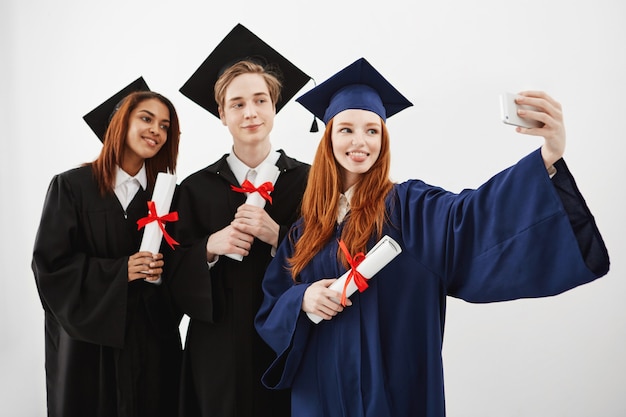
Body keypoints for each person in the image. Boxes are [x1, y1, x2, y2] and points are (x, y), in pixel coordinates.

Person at [254, 57, 611, 417]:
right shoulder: (305, 231)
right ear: (328, 136)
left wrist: (548, 155)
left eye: (372, 130)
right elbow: (272, 306)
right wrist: (303, 299)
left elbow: (470, 217)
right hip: (323, 395)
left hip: (395, 393)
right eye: (346, 129)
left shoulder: (408, 206)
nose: (359, 141)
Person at [169, 24, 311, 417]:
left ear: (274, 106)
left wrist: (279, 235)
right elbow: (168, 275)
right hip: (217, 347)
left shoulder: (311, 181)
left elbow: (334, 254)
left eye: (260, 100)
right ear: (221, 114)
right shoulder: (196, 188)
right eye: (237, 104)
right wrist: (208, 249)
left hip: (289, 339)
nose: (250, 113)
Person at [32, 77, 183, 417]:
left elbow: (179, 269)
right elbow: (50, 268)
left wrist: (159, 276)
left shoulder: (166, 197)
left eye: (164, 125)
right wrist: (120, 271)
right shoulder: (71, 187)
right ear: (120, 123)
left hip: (150, 346)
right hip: (88, 347)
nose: (156, 130)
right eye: (146, 118)